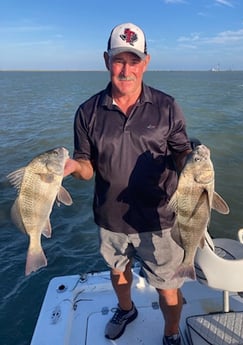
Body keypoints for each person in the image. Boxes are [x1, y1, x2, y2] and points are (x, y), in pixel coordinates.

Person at [64, 22, 192, 345]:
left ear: (145, 62)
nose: (126, 70)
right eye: (119, 60)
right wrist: (71, 167)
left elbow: (182, 155)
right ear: (106, 60)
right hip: (110, 218)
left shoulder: (167, 107)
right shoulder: (87, 112)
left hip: (159, 219)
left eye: (133, 61)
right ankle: (127, 309)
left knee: (168, 286)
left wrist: (195, 165)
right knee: (119, 273)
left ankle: (171, 333)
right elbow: (87, 166)